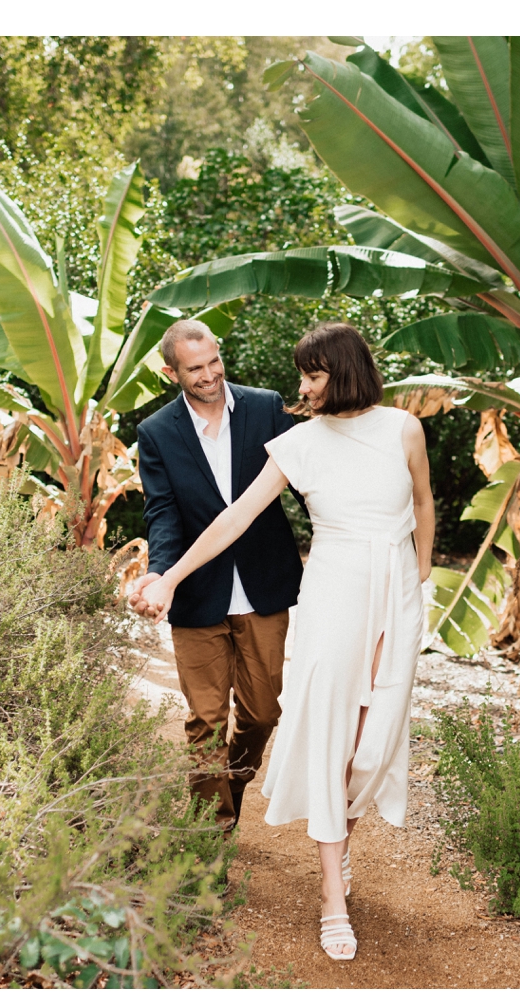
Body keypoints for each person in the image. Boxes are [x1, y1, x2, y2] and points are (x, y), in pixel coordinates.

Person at [138, 322, 435, 962]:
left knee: (370, 747)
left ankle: (341, 844)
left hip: (394, 598)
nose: (299, 386)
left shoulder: (402, 428)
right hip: (331, 598)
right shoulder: (296, 440)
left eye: (312, 374)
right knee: (327, 740)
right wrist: (169, 577)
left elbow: (423, 501)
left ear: (344, 371)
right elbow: (233, 517)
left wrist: (421, 576)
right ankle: (332, 895)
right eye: (303, 375)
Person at [128, 319, 305, 833]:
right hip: (197, 592)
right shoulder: (156, 432)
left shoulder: (266, 406)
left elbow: (305, 485)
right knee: (205, 721)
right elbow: (162, 513)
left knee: (262, 714)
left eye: (213, 362)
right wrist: (161, 573)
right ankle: (211, 837)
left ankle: (228, 785)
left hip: (263, 584)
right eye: (195, 368)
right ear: (171, 372)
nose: (209, 375)